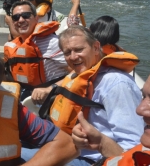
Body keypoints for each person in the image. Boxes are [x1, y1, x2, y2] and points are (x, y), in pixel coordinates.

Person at [40, 25, 143, 165]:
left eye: (79, 50)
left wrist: (101, 143)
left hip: (91, 159)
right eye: (67, 52)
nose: (73, 57)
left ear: (95, 47)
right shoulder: (80, 73)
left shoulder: (117, 84)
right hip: (65, 145)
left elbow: (133, 145)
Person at [72, 71, 150, 165]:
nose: (139, 110)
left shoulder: (117, 82)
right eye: (143, 96)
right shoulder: (144, 152)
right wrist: (101, 143)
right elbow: (126, 161)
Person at [3, 0, 70, 101]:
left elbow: (77, 72)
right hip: (24, 98)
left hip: (51, 98)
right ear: (13, 22)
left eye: (26, 15)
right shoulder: (10, 45)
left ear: (36, 18)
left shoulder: (53, 43)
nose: (20, 20)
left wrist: (50, 89)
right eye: (16, 17)